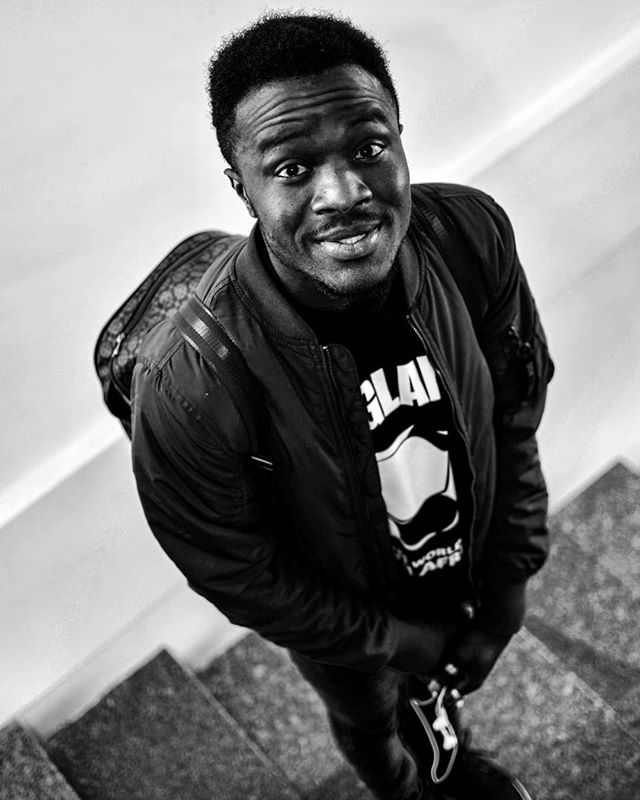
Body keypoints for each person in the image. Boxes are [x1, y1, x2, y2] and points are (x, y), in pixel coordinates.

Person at [130, 11, 554, 800]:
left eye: (368, 147)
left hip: (463, 566)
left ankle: (449, 763)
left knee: (439, 708)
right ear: (241, 185)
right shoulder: (190, 384)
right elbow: (239, 571)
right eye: (292, 168)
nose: (345, 194)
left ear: (399, 135)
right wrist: (397, 642)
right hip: (346, 625)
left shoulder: (470, 234)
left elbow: (515, 410)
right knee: (369, 718)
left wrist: (509, 579)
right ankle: (402, 789)